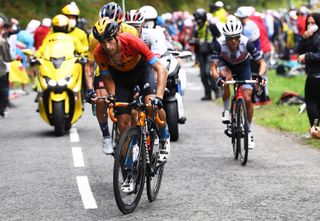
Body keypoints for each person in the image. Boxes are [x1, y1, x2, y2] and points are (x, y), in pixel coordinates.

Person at [92, 17, 170, 191]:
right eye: (102, 42)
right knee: (122, 123)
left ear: (117, 36)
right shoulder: (99, 52)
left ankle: (164, 136)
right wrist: (112, 96)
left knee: (151, 105)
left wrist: (159, 95)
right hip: (121, 80)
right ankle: (128, 172)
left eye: (109, 41)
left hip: (143, 72)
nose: (107, 46)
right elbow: (107, 77)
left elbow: (160, 68)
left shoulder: (131, 41)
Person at [85, 2, 139, 155]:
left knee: (134, 109)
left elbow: (139, 59)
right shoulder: (95, 37)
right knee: (101, 99)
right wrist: (90, 91)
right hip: (105, 69)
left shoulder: (131, 32)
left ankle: (135, 141)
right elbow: (89, 66)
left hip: (126, 67)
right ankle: (106, 136)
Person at [210, 15, 267, 149]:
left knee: (247, 98)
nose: (234, 41)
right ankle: (226, 109)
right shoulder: (219, 43)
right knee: (227, 78)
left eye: (236, 37)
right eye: (230, 38)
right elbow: (213, 67)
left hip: (243, 65)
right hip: (226, 64)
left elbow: (262, 62)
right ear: (226, 37)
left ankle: (248, 131)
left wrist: (259, 76)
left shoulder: (247, 42)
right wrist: (217, 78)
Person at [297, 13, 320, 133]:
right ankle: (315, 129)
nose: (310, 26)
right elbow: (298, 50)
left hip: (315, 74)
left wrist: (307, 56)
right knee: (316, 103)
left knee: (311, 103)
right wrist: (303, 38)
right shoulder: (311, 36)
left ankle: (314, 130)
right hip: (313, 73)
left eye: (313, 23)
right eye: (308, 23)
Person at [193, 8, 221, 101]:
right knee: (202, 75)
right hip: (201, 55)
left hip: (211, 53)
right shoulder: (196, 29)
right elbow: (196, 44)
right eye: (197, 20)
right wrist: (196, 58)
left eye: (199, 20)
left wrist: (214, 47)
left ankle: (217, 91)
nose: (198, 22)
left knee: (208, 72)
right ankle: (207, 93)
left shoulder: (211, 26)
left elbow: (219, 37)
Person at [0, 17, 13, 117]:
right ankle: (1, 110)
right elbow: (7, 58)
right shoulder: (2, 41)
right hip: (1, 70)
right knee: (3, 90)